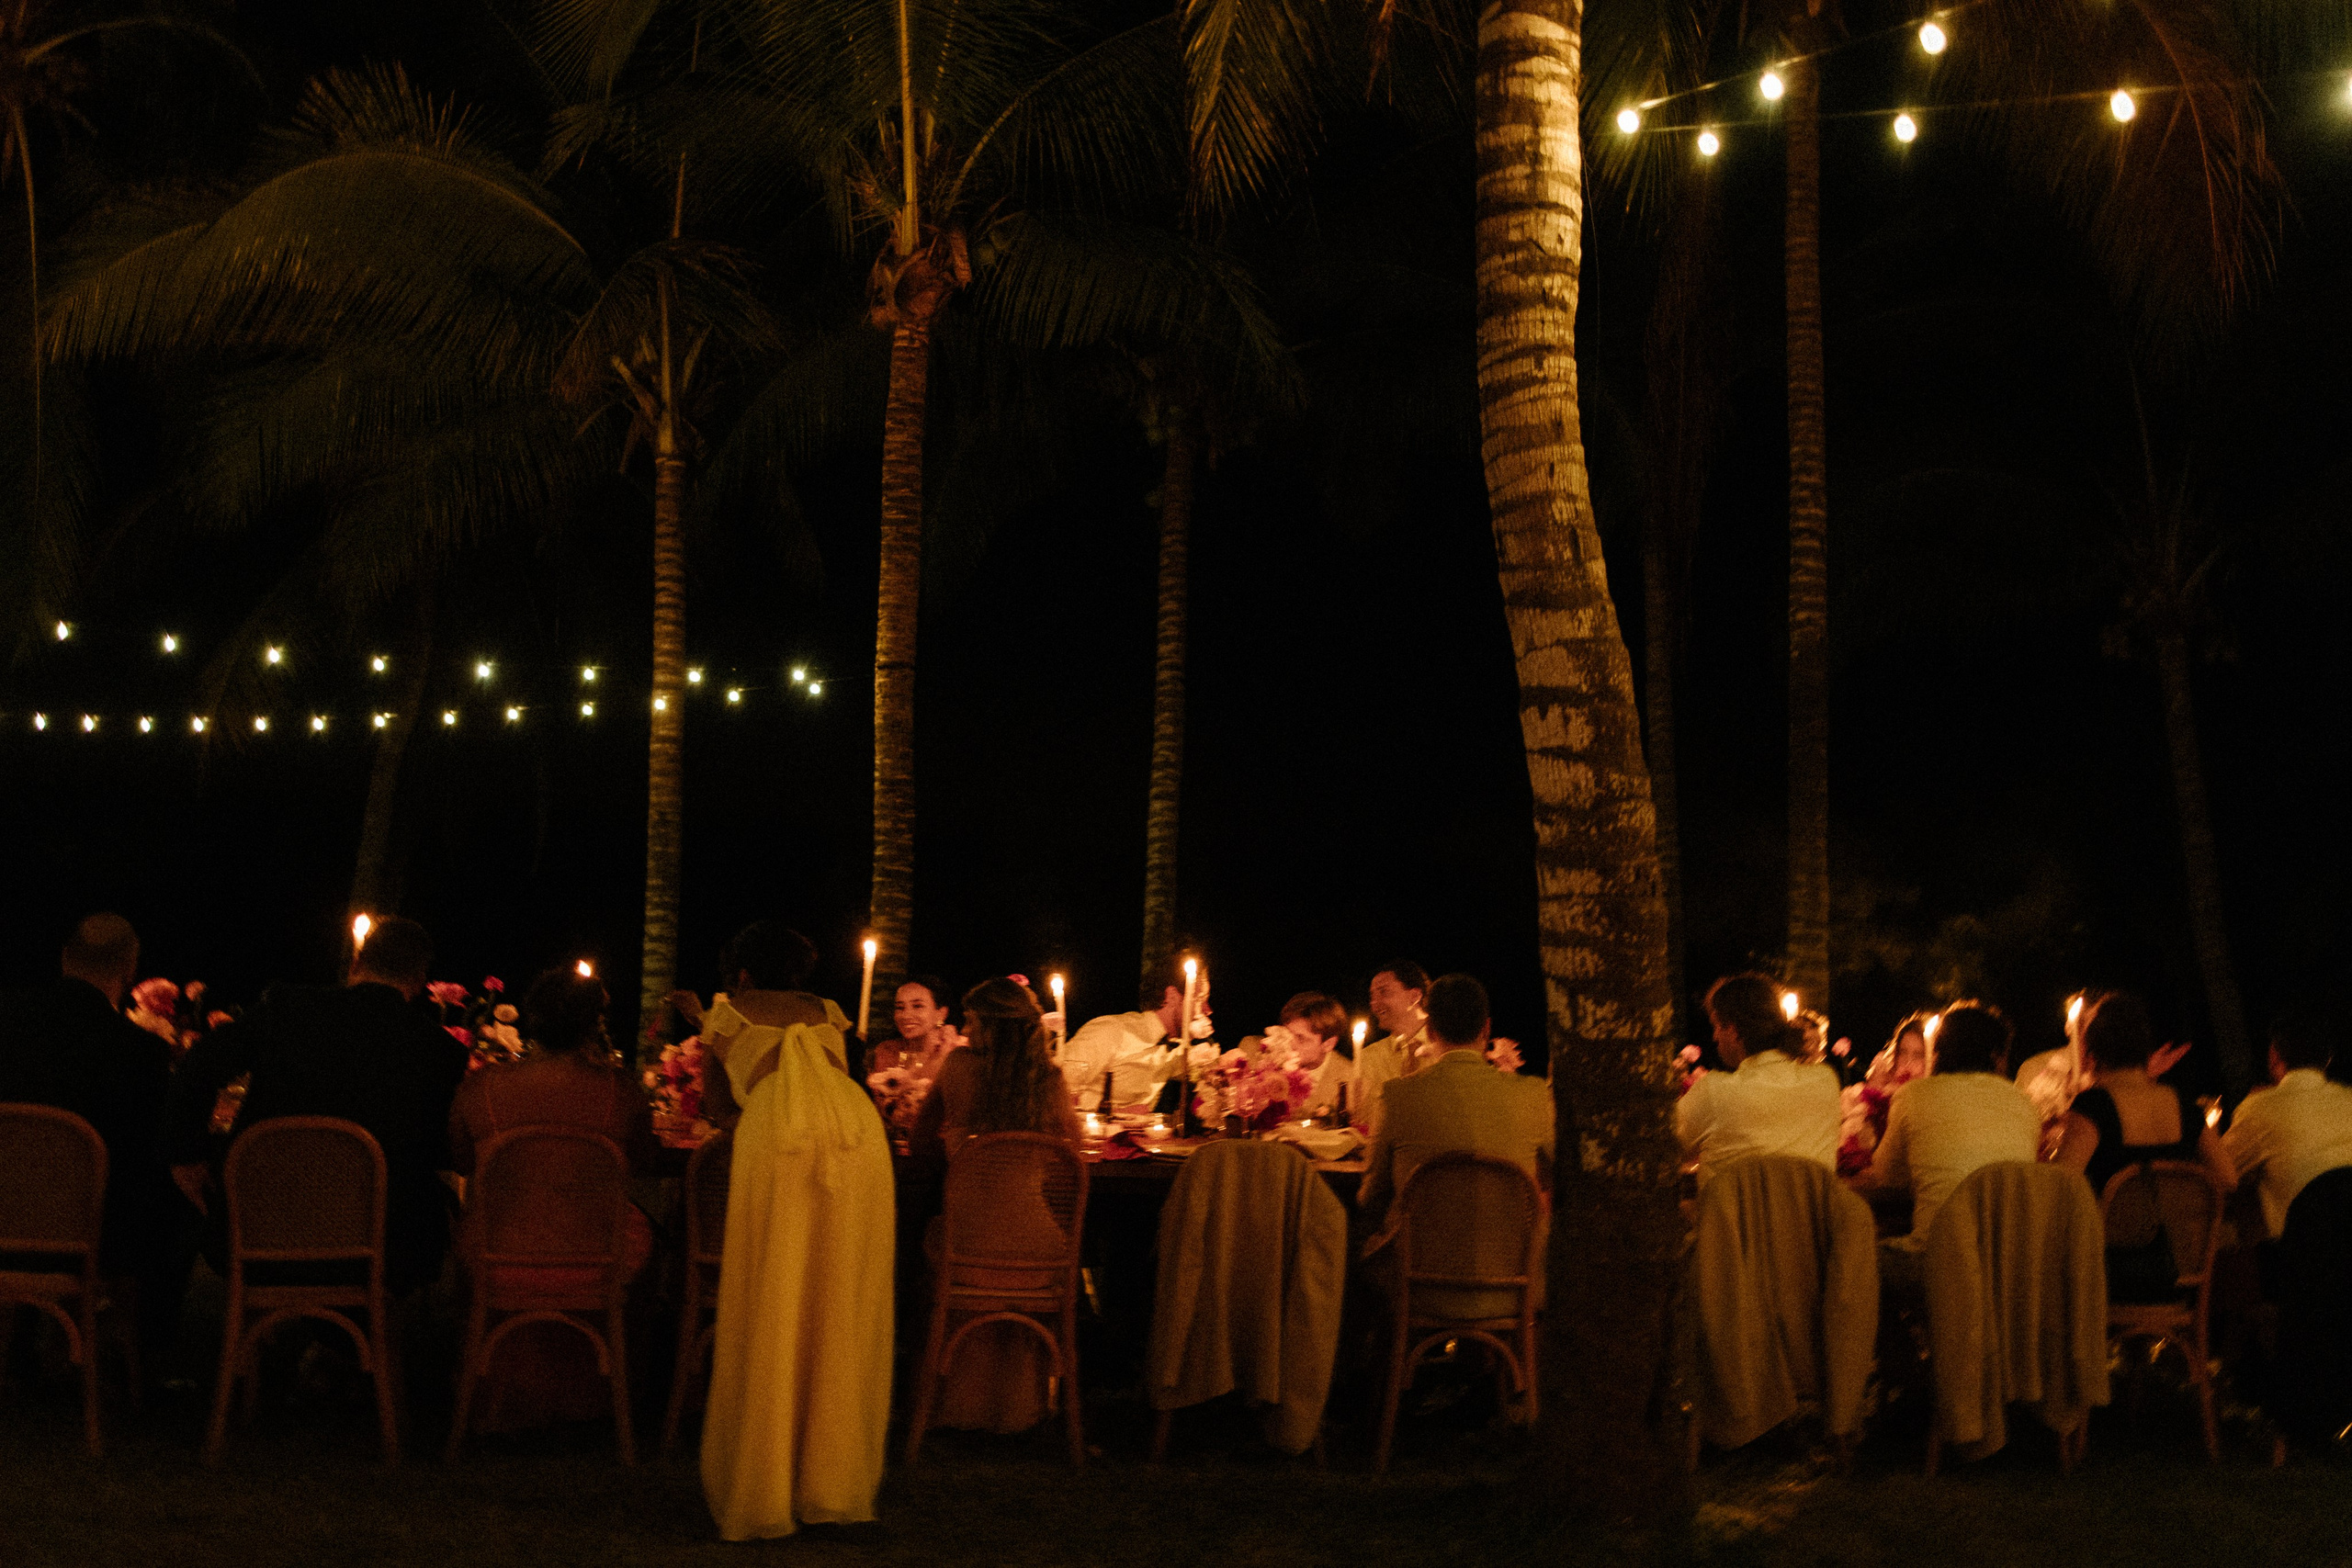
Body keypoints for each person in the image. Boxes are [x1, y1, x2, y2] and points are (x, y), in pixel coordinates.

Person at [688, 921, 892, 1541]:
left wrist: (753, 1114)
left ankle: (769, 1472)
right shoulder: (827, 1011)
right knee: (837, 1291)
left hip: (779, 1135)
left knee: (775, 1287)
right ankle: (830, 1471)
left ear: (742, 973)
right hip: (856, 1135)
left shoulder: (726, 1015)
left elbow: (717, 1109)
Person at [167, 916, 469, 1294]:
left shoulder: (284, 1010)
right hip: (378, 1254)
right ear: (421, 981)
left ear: (357, 963)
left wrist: (185, 1154)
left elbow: (196, 1067)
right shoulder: (441, 1052)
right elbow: (439, 1149)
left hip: (257, 1237)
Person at [445, 966, 662, 1432]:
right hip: (600, 1258)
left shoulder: (482, 1088)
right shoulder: (621, 1093)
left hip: (496, 1254)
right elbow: (643, 1163)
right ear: (594, 1024)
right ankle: (623, 1400)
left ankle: (484, 1396)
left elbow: (461, 1160)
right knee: (658, 1241)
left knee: (460, 1226)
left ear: (531, 1018)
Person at [0, 913, 196, 1373]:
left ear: (64, 958)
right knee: (179, 1201)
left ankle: (21, 1335)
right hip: (91, 1237)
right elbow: (146, 1156)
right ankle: (148, 1358)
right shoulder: (141, 1053)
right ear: (129, 970)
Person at [1359, 975, 1554, 1229]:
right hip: (1512, 1251)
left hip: (1418, 1251)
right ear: (1486, 1028)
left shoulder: (1396, 1096)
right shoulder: (1533, 1094)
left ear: (1430, 1030)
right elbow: (1561, 1171)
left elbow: (1370, 1195)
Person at [1864, 1002, 2041, 1253]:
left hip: (1933, 1255)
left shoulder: (1915, 1095)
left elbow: (1885, 1176)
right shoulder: (2024, 1102)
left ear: (1937, 1051)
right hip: (2007, 1257)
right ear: (1997, 1056)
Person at [2054, 991, 2235, 1199]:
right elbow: (2228, 1179)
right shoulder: (2183, 1106)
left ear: (2092, 1054)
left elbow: (2060, 1187)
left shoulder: (2093, 1107)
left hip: (2112, 1221)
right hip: (2179, 1220)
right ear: (2146, 1050)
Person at [1675, 974, 1841, 1178]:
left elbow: (1661, 1146)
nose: (1715, 1036)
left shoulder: (1715, 1093)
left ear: (1734, 1031)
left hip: (1732, 1200)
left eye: (1717, 1026)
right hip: (1810, 1200)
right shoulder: (1825, 1081)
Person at [910, 977, 1082, 1159]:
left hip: (966, 1176)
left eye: (971, 1021)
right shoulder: (1048, 1074)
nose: (965, 1030)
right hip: (1034, 1178)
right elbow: (1074, 1146)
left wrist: (955, 1158)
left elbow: (919, 1138)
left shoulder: (958, 1063)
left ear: (992, 1027)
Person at [2221, 1011, 2352, 1243]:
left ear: (2274, 1057)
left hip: (2304, 1252)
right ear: (2328, 1059)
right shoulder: (2348, 1098)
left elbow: (2219, 1175)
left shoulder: (2257, 1108)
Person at [1058, 955, 1202, 1111]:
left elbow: (1206, 1069)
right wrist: (1114, 1114)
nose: (1208, 1010)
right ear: (1172, 996)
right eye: (1200, 999)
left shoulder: (1175, 1050)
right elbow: (1056, 1091)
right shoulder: (1111, 1030)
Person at [1357, 960, 1430, 1134]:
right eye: (1372, 996)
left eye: (1384, 992)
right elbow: (1366, 1120)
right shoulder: (1370, 1056)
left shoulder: (1448, 1045)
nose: (1374, 1003)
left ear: (1414, 996)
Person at [1272, 991, 1356, 1118]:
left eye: (1301, 1038)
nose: (1290, 1044)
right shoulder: (1268, 1062)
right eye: (1287, 1034)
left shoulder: (1351, 1082)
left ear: (1328, 1044)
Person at [872, 975, 964, 1078]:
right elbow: (891, 1087)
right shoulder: (889, 1050)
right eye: (900, 1007)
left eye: (917, 1006)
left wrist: (941, 1055)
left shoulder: (959, 1050)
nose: (906, 1016)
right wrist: (925, 1055)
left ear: (941, 1013)